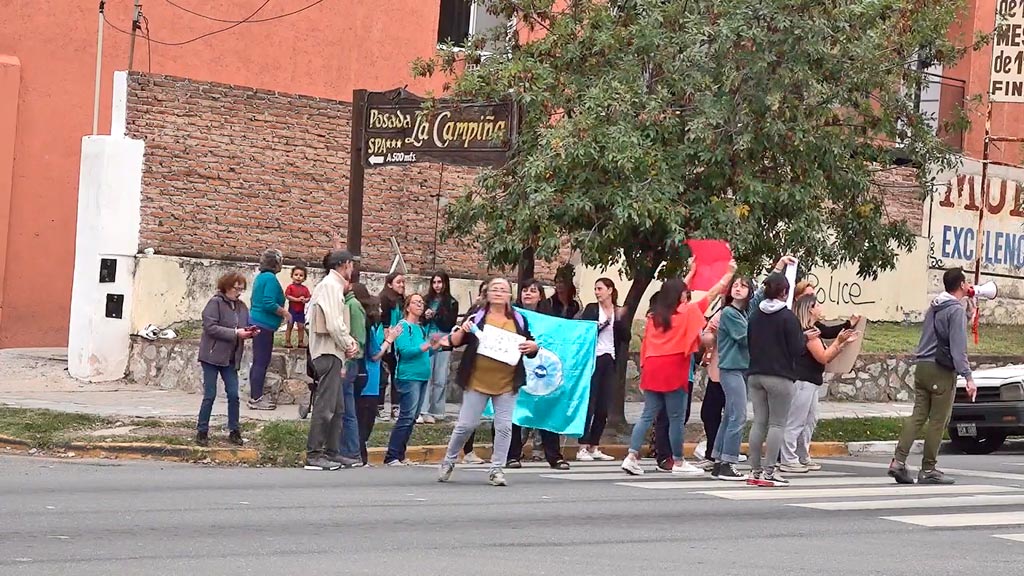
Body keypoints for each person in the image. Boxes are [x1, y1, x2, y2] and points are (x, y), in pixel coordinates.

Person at [621, 262, 735, 476]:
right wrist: (728, 275)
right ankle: (679, 461)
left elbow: (678, 291)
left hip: (652, 367)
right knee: (675, 418)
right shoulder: (688, 313)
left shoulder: (654, 315)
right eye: (685, 293)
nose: (687, 295)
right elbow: (711, 294)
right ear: (681, 296)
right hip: (673, 367)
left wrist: (691, 271)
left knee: (647, 415)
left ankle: (631, 456)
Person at [438, 277, 540, 487]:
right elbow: (455, 341)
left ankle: (496, 469)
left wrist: (533, 348)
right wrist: (464, 329)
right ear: (487, 293)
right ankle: (449, 460)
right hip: (477, 381)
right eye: (494, 289)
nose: (499, 292)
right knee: (465, 426)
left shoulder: (519, 320)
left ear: (509, 294)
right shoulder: (477, 316)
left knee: (504, 427)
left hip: (507, 382)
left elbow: (529, 344)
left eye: (503, 289)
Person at [889, 268, 977, 485]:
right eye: (966, 283)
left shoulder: (936, 305)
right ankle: (928, 468)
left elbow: (941, 330)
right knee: (938, 420)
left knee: (918, 415)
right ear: (962, 284)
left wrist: (967, 314)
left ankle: (898, 461)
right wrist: (968, 376)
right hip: (941, 370)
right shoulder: (954, 310)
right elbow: (957, 347)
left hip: (923, 367)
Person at [780, 294, 859, 473]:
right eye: (818, 305)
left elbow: (830, 340)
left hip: (811, 381)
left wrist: (842, 340)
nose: (821, 308)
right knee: (796, 421)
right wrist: (840, 343)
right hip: (803, 380)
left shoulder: (814, 329)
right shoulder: (809, 333)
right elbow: (823, 357)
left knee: (809, 420)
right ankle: (788, 458)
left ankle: (802, 455)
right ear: (810, 309)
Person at [745, 272, 807, 487]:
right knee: (777, 424)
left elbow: (749, 342)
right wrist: (805, 337)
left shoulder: (754, 316)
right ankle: (769, 472)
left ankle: (754, 470)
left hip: (755, 374)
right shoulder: (788, 318)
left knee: (759, 422)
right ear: (784, 292)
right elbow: (798, 349)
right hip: (779, 376)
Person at [304, 250, 361, 471]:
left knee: (337, 408)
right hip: (327, 352)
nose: (352, 269)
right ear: (345, 265)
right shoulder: (331, 286)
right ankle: (314, 454)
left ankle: (331, 452)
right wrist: (349, 343)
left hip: (333, 352)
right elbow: (334, 324)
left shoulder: (332, 286)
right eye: (351, 265)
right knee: (325, 406)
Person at [507, 278, 571, 470]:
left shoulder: (550, 320)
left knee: (546, 409)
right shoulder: (512, 316)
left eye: (533, 291)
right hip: (517, 369)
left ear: (540, 296)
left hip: (543, 371)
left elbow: (557, 342)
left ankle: (554, 456)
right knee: (515, 413)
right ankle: (511, 455)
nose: (527, 293)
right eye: (524, 290)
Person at [196, 272, 255, 447]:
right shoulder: (215, 303)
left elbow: (243, 326)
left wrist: (250, 331)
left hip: (231, 357)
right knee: (210, 394)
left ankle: (234, 430)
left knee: (233, 395)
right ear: (227, 286)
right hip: (212, 356)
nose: (238, 292)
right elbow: (210, 327)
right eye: (236, 288)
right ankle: (202, 430)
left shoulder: (242, 306)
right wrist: (235, 333)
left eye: (241, 289)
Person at [576, 278, 631, 463]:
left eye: (600, 289)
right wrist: (603, 324)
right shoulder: (592, 309)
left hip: (610, 359)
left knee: (603, 406)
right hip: (594, 359)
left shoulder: (617, 310)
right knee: (589, 404)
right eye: (595, 288)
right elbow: (584, 332)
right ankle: (582, 446)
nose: (597, 292)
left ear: (610, 290)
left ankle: (594, 445)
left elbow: (625, 337)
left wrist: (620, 320)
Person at [384, 294, 442, 466]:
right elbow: (405, 351)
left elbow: (425, 352)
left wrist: (435, 347)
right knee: (406, 416)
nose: (420, 305)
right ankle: (392, 455)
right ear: (408, 307)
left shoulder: (420, 328)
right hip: (409, 377)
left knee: (413, 416)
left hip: (422, 376)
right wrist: (426, 345)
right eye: (416, 302)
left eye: (422, 303)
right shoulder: (404, 326)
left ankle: (400, 454)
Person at [709, 276, 756, 481]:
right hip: (732, 369)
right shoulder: (729, 312)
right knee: (738, 416)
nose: (738, 288)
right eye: (735, 285)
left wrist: (780, 266)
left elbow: (762, 294)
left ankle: (719, 460)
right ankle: (728, 462)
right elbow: (744, 338)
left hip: (738, 369)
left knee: (729, 416)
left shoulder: (744, 311)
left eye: (743, 286)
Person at [350, 283, 394, 466]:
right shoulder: (369, 327)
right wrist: (389, 340)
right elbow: (375, 354)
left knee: (363, 420)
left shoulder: (368, 325)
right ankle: (360, 456)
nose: (382, 309)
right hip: (368, 379)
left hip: (370, 379)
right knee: (364, 422)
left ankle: (360, 455)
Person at [248, 249, 289, 410]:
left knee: (259, 361)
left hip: (258, 322)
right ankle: (256, 398)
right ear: (276, 263)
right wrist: (285, 313)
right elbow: (268, 302)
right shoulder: (270, 279)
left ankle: (255, 396)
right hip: (263, 324)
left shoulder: (261, 277)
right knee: (261, 362)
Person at [459, 281, 490, 465]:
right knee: (470, 414)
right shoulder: (476, 313)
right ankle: (465, 450)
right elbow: (462, 335)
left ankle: (501, 457)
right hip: (475, 366)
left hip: (496, 370)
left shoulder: (508, 315)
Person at [423, 272, 459, 424]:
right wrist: (425, 316)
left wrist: (435, 315)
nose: (437, 285)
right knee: (426, 375)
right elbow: (420, 321)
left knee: (440, 377)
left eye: (440, 282)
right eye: (434, 282)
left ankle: (437, 411)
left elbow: (449, 324)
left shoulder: (451, 302)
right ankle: (423, 410)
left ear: (445, 283)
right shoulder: (426, 300)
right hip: (428, 338)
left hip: (444, 339)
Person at [340, 279, 369, 464]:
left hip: (349, 363)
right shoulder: (343, 303)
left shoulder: (353, 305)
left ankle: (351, 452)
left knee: (347, 410)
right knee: (343, 409)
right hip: (345, 361)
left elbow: (359, 339)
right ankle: (347, 450)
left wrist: (348, 360)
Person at [378, 272, 407, 421]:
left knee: (397, 376)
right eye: (398, 282)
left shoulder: (401, 300)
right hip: (387, 341)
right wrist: (388, 338)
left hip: (399, 341)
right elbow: (383, 322)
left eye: (403, 282)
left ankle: (396, 407)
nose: (402, 285)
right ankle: (380, 407)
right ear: (390, 284)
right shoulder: (384, 298)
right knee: (383, 375)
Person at [284, 265, 311, 348]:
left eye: (301, 275)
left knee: (301, 326)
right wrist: (297, 299)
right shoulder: (290, 287)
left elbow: (309, 297)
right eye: (296, 275)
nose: (298, 277)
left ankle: (300, 342)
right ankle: (287, 341)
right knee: (290, 325)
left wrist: (305, 300)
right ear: (292, 276)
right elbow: (287, 296)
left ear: (304, 278)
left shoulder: (305, 288)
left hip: (301, 311)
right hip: (292, 310)